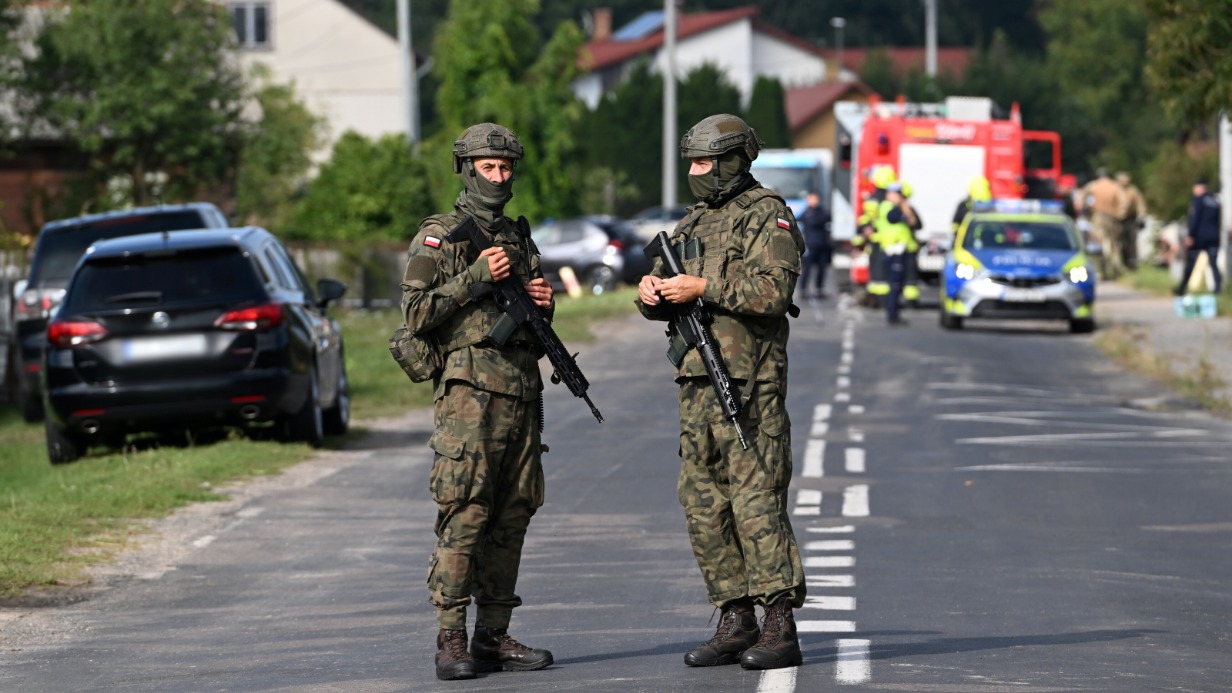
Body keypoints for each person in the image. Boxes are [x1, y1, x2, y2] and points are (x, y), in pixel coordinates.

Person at [636, 114, 806, 671]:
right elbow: (665, 294)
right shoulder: (690, 225)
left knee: (757, 503)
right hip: (696, 384)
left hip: (750, 384)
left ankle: (779, 622)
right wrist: (652, 294)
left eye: (704, 162)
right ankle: (735, 617)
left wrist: (704, 286)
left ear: (733, 160)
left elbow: (773, 294)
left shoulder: (767, 215)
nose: (695, 172)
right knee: (704, 505)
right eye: (692, 162)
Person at [400, 122, 555, 681]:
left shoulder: (518, 235)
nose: (499, 176)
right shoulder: (440, 236)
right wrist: (471, 277)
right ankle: (451, 638)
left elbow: (532, 326)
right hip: (469, 395)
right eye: (488, 167)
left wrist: (543, 301)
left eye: (506, 167)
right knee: (465, 512)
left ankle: (493, 634)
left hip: (520, 391)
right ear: (466, 169)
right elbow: (415, 314)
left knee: (514, 512)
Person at [874, 182, 920, 325]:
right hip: (893, 251)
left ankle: (893, 313)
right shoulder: (889, 208)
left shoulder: (891, 207)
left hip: (896, 250)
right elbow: (910, 220)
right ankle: (892, 315)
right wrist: (905, 206)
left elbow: (915, 223)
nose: (900, 198)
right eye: (897, 195)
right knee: (895, 284)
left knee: (897, 284)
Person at [1174, 176, 1223, 296]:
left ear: (1198, 187)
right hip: (1213, 237)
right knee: (1213, 264)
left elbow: (1194, 219)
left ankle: (1182, 288)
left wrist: (1190, 235)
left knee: (1190, 263)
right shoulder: (1215, 201)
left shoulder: (1198, 200)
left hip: (1199, 237)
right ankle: (1218, 289)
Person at [1079, 167, 1128, 279]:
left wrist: (1088, 208)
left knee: (1100, 244)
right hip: (1113, 218)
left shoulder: (1093, 186)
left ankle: (1103, 271)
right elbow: (1124, 203)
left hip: (1098, 216)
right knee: (1114, 243)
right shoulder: (1115, 186)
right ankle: (1116, 268)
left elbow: (1082, 199)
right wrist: (1120, 215)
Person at [797, 191, 832, 299]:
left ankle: (819, 289)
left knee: (822, 268)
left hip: (822, 245)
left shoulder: (822, 212)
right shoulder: (806, 213)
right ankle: (803, 290)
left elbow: (827, 220)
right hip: (810, 245)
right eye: (811, 199)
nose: (814, 201)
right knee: (807, 268)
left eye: (815, 199)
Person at [1116, 171, 1147, 270]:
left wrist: (1142, 217)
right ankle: (1122, 261)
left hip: (1130, 219)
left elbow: (1140, 204)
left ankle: (1132, 262)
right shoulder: (1116, 190)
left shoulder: (1133, 191)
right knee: (1120, 241)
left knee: (1132, 240)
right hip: (1118, 220)